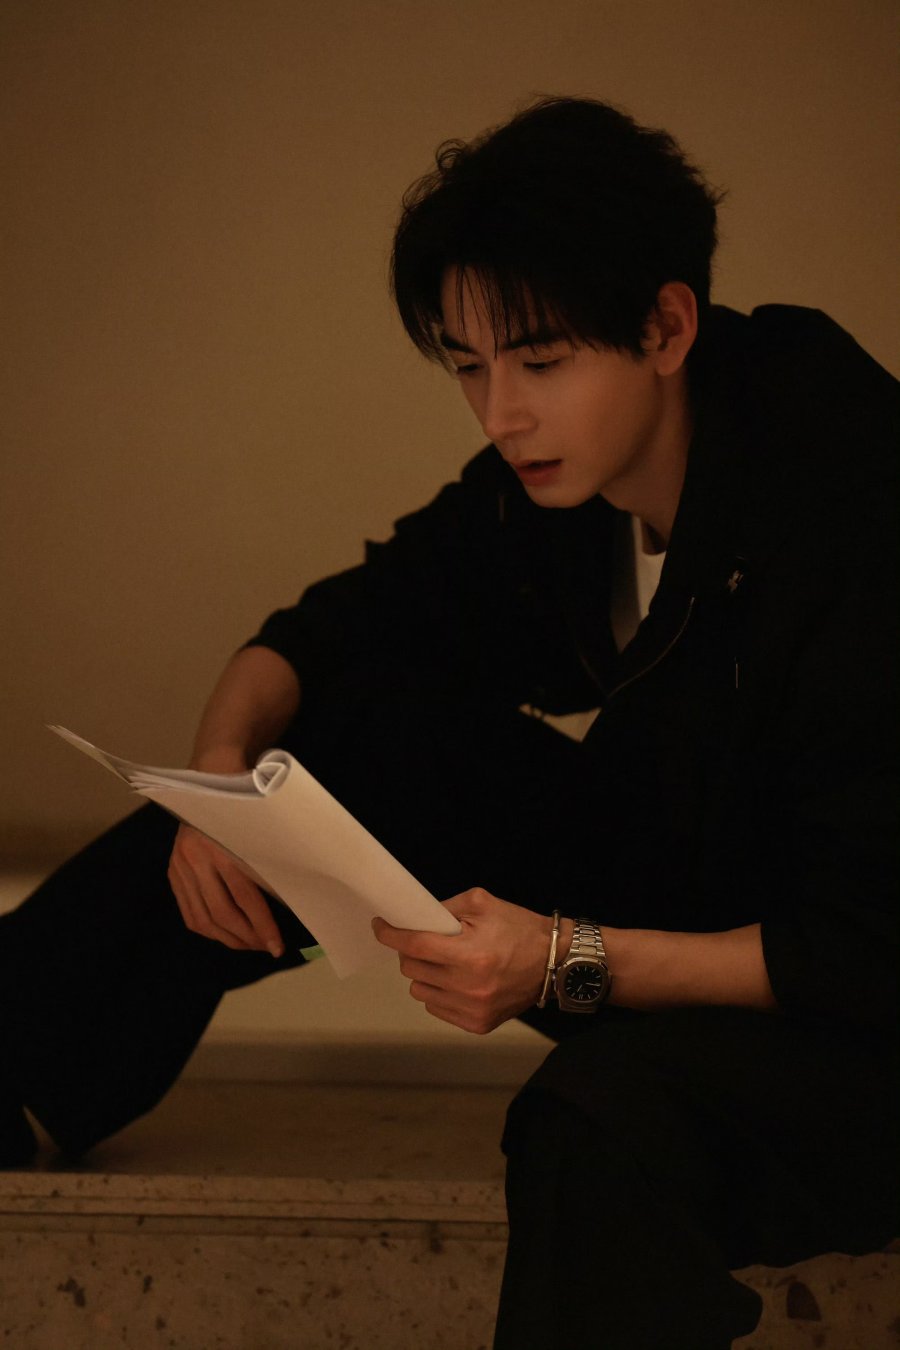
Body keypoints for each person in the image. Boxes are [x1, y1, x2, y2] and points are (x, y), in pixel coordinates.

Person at [2, 97, 897, 1348]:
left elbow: (858, 945)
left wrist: (564, 956)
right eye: (469, 366)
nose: (500, 413)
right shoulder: (560, 488)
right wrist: (218, 791)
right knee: (367, 736)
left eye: (539, 362)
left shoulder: (847, 497)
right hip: (701, 901)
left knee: (597, 1115)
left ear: (665, 326)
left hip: (854, 1019)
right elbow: (330, 632)